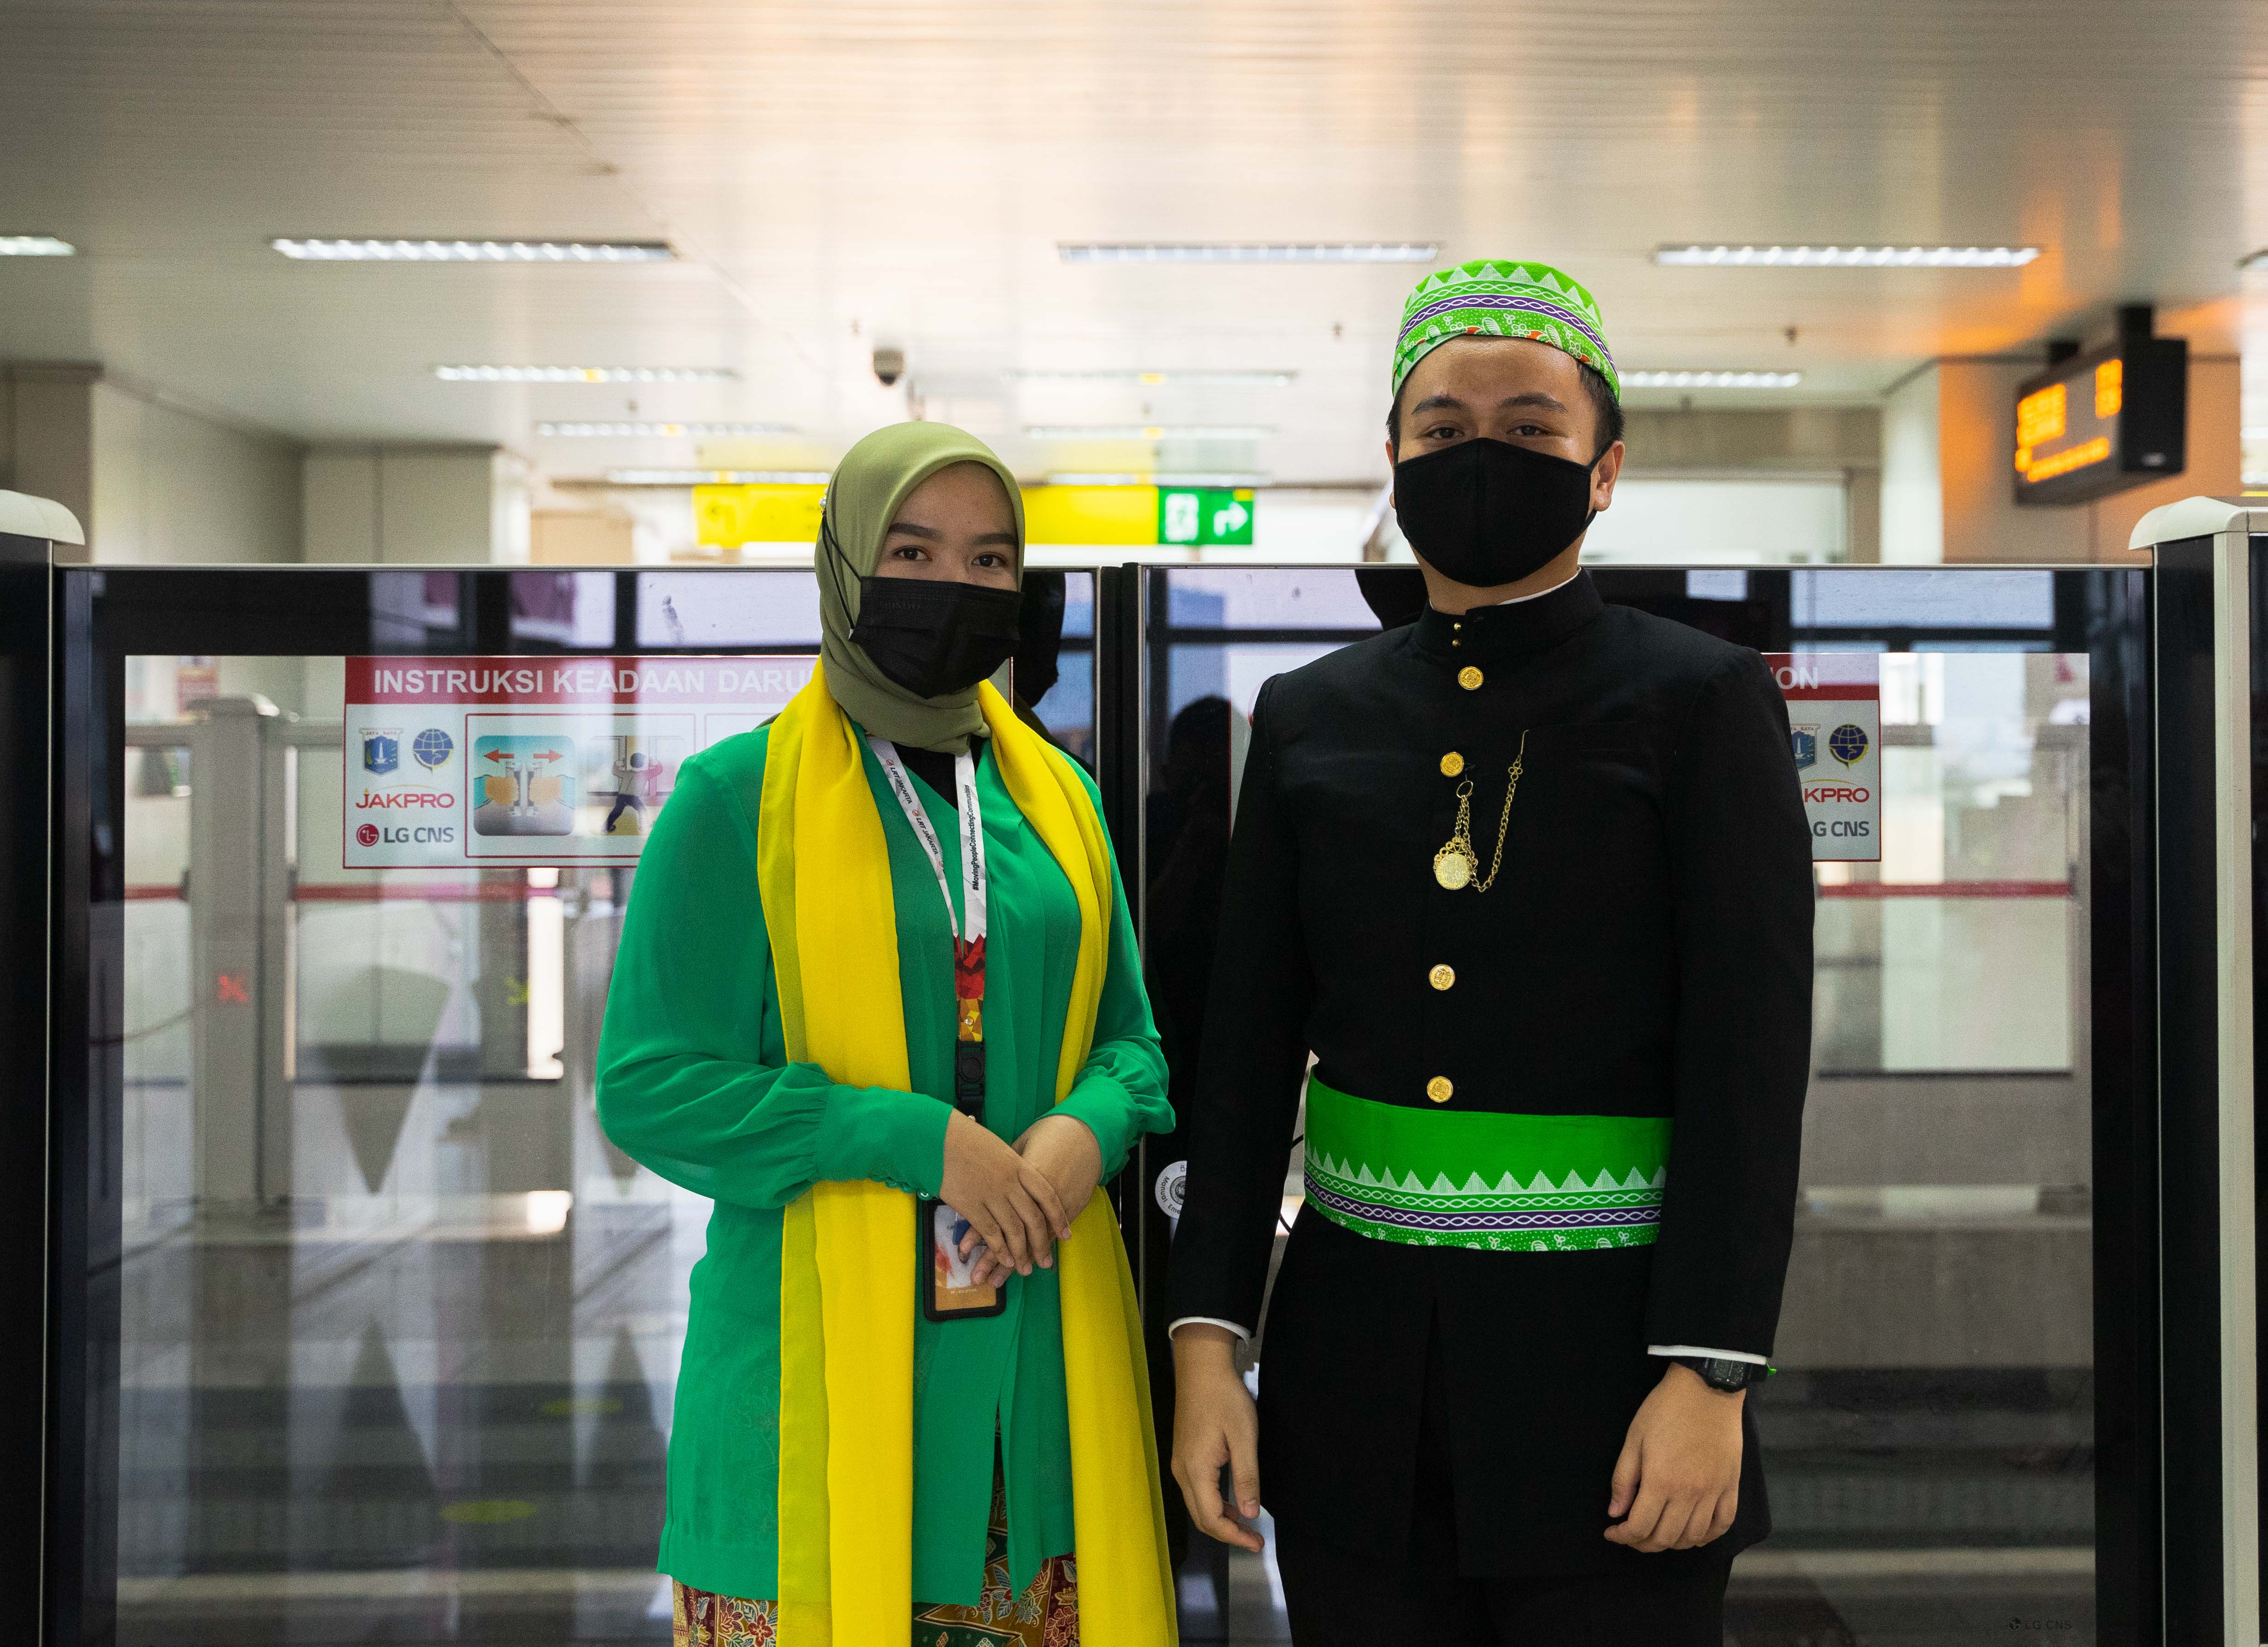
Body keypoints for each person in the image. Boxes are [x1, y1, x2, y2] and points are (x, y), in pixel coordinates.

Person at [1164, 260, 1816, 1645]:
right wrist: (1208, 1344)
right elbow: (1242, 1062)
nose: (1481, 455)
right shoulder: (1307, 714)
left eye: (1529, 427)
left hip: (1617, 1398)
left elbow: (1748, 1066)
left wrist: (1709, 1370)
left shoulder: (1698, 698)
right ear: (1394, 455)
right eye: (1443, 425)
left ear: (1604, 467)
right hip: (1351, 1396)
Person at [597, 422, 1178, 1647]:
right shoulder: (735, 799)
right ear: (845, 563)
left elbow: (1131, 1040)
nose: (953, 585)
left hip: (1033, 1394)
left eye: (989, 560)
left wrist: (1090, 1122)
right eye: (912, 551)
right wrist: (911, 1136)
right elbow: (650, 1085)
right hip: (806, 1401)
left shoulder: (1058, 802)